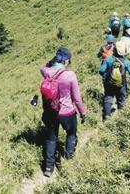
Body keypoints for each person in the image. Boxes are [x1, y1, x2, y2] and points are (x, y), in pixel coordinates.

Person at [39, 47, 86, 177]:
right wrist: (82, 112)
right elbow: (76, 98)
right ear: (66, 61)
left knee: (51, 139)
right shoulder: (70, 75)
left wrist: (50, 62)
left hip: (51, 112)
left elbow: (43, 67)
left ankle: (48, 168)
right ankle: (69, 157)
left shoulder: (46, 72)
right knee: (71, 133)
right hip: (67, 113)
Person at [99, 45, 130, 120]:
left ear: (114, 50)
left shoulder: (108, 59)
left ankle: (107, 117)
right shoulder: (126, 62)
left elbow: (101, 71)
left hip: (109, 83)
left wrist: (106, 75)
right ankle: (121, 118)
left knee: (108, 99)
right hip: (121, 85)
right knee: (121, 100)